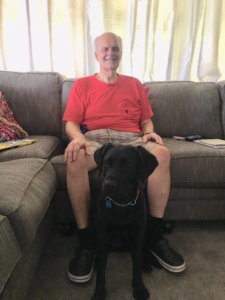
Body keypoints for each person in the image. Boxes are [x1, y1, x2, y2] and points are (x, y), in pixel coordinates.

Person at [63, 32, 185, 283]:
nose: (111, 53)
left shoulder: (134, 84)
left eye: (115, 48)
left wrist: (150, 133)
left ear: (121, 53)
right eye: (105, 49)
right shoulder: (82, 85)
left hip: (131, 139)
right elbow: (71, 123)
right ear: (96, 55)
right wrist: (78, 138)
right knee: (74, 159)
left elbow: (146, 120)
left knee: (161, 154)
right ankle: (87, 243)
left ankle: (154, 236)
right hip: (96, 141)